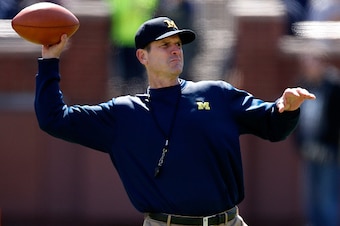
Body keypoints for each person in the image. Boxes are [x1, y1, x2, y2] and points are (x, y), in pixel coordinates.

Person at [34, 17, 316, 226]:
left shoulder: (216, 94)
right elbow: (54, 118)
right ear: (142, 56)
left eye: (178, 44)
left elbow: (272, 125)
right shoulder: (124, 113)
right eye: (165, 45)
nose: (175, 50)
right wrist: (49, 62)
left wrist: (286, 109)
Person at [295, 52, 340, 226]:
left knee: (326, 198)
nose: (307, 67)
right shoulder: (304, 85)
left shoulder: (334, 87)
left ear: (321, 62)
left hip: (329, 154)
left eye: (311, 62)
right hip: (308, 150)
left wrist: (328, 145)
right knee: (310, 197)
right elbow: (297, 118)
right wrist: (301, 144)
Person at [106, 0, 159, 95]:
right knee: (123, 75)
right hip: (121, 40)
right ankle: (126, 97)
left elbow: (149, 6)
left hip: (139, 41)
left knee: (140, 74)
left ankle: (144, 96)